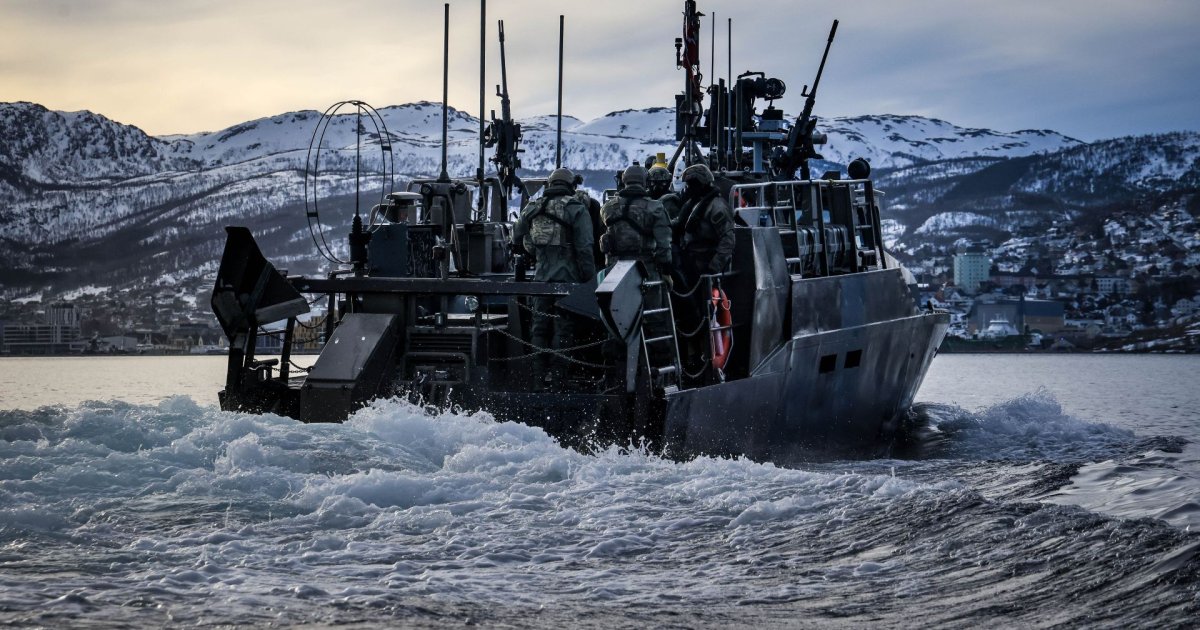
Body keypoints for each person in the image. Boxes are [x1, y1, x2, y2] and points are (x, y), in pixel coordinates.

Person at [512, 167, 596, 389]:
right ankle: (559, 381)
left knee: (539, 328)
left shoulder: (534, 207)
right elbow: (585, 249)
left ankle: (538, 380)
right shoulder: (576, 209)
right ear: (571, 185)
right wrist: (590, 281)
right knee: (563, 329)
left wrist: (532, 248)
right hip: (568, 281)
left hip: (540, 280)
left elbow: (517, 235)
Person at [599, 164, 672, 276]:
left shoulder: (608, 207)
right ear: (645, 181)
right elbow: (664, 245)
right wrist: (666, 273)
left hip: (614, 270)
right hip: (646, 269)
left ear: (624, 181)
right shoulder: (655, 207)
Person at [674, 163, 735, 289]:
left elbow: (728, 240)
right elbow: (680, 223)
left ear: (701, 184)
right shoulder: (692, 203)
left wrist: (713, 268)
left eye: (692, 184)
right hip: (690, 260)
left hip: (705, 263)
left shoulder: (717, 207)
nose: (688, 188)